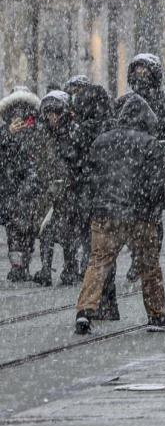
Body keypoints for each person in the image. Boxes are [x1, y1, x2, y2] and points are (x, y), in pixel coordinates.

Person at [74, 94, 165, 334]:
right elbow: (158, 184)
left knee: (98, 262)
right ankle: (157, 315)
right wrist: (155, 209)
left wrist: (95, 206)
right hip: (140, 215)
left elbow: (89, 178)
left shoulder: (101, 141)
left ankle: (85, 311)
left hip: (105, 214)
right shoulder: (151, 143)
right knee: (149, 265)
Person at [112, 54, 165, 287]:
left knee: (153, 219)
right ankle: (138, 257)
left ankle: (148, 260)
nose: (141, 76)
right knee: (131, 218)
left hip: (156, 171)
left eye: (146, 71)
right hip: (129, 172)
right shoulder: (123, 102)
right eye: (138, 72)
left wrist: (162, 145)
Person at [61, 84, 113, 288]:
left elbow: (69, 157)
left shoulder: (81, 129)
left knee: (84, 230)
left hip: (84, 189)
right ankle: (102, 280)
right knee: (102, 236)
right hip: (107, 191)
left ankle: (86, 267)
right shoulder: (111, 127)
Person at [32, 90, 81, 287]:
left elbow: (74, 160)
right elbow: (39, 161)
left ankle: (70, 268)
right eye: (50, 114)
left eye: (56, 113)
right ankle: (46, 269)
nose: (53, 118)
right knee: (46, 232)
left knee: (68, 232)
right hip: (48, 191)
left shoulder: (73, 131)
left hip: (68, 190)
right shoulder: (42, 133)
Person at [0, 88, 40, 282]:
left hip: (30, 187)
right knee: (14, 228)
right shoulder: (4, 131)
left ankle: (24, 263)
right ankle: (17, 266)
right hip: (10, 188)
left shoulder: (36, 130)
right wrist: (8, 134)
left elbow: (39, 156)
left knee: (28, 229)